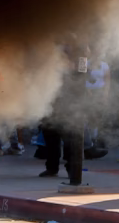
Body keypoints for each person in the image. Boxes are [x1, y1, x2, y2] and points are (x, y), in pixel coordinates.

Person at [38, 34, 90, 189]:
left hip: (70, 98)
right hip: (53, 97)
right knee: (50, 133)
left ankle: (71, 169)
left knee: (69, 136)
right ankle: (51, 167)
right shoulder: (54, 50)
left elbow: (82, 74)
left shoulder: (81, 53)